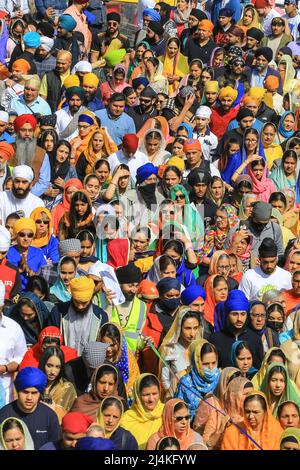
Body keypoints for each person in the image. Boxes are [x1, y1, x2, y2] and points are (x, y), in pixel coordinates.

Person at [0, 367, 60, 450]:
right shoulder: (4, 414)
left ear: (40, 393)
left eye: (34, 393)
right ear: (18, 391)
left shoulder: (50, 416)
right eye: (25, 392)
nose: (29, 397)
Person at [48, 276, 108, 355]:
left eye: (84, 303)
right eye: (76, 302)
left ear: (90, 299)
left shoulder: (100, 317)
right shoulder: (58, 312)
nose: (80, 306)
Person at [210, 290, 264, 368]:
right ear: (227, 314)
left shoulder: (255, 339)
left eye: (243, 314)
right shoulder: (215, 340)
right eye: (235, 314)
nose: (239, 319)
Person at [175, 339, 220, 420]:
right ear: (197, 363)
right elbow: (177, 411)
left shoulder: (221, 378)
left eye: (214, 363)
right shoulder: (186, 383)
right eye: (206, 364)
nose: (210, 367)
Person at [121, 373, 164, 449]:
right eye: (146, 395)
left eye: (154, 394)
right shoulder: (127, 419)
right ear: (137, 395)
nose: (151, 399)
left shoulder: (166, 413)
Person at [99, 322, 140, 396]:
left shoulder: (128, 361)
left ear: (120, 342)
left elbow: (133, 383)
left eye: (112, 345)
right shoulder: (96, 357)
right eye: (104, 344)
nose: (108, 349)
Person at [38, 346, 77, 422]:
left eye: (57, 367)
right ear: (43, 364)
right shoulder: (33, 384)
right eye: (49, 366)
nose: (53, 372)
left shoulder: (67, 388)